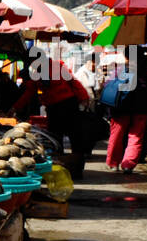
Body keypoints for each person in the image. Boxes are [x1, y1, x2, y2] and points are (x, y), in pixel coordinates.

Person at [11, 47, 93, 176]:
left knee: (75, 138)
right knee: (55, 139)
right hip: (53, 107)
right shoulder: (36, 72)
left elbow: (73, 81)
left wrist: (84, 98)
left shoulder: (57, 66)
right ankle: (59, 168)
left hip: (68, 104)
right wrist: (15, 107)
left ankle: (77, 170)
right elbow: (29, 92)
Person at [103, 47, 147, 173]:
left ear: (126, 56)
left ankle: (113, 163)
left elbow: (108, 87)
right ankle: (128, 165)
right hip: (141, 109)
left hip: (120, 108)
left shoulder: (121, 70)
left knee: (116, 136)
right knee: (135, 137)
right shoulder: (146, 72)